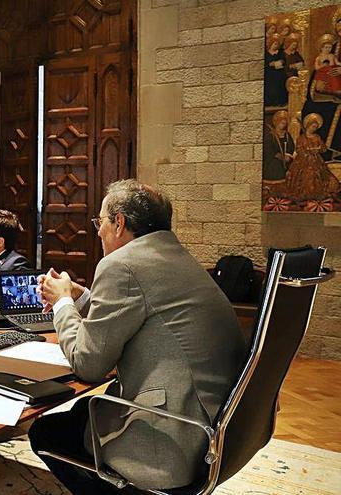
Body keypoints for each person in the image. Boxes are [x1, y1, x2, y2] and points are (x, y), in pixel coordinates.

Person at [29, 179, 246, 493]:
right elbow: (138, 314)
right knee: (80, 412)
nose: (98, 231)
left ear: (119, 224)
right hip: (215, 427)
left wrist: (62, 302)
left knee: (47, 432)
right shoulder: (174, 256)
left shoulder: (121, 266)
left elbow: (87, 364)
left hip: (171, 440)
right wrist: (78, 296)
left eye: (99, 222)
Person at [286, 113, 341, 201]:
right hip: (303, 160)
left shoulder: (317, 137)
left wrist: (318, 149)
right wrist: (308, 151)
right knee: (305, 175)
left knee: (320, 175)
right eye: (312, 126)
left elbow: (324, 149)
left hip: (316, 160)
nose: (314, 129)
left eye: (315, 127)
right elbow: (299, 149)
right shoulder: (301, 138)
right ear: (308, 125)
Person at [262, 110, 295, 184]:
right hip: (273, 160)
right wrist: (281, 156)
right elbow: (268, 150)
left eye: (285, 123)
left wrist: (288, 155)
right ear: (277, 122)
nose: (283, 125)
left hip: (287, 159)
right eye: (282, 123)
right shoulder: (271, 135)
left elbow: (291, 147)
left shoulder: (287, 135)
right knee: (276, 166)